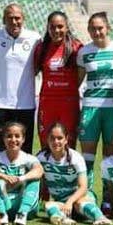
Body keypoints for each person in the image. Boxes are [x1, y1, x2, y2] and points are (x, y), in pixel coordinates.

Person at [77, 11, 113, 215]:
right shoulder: (84, 52)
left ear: (108, 28)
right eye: (93, 28)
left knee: (111, 158)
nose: (97, 31)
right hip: (90, 108)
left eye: (100, 28)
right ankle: (87, 201)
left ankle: (109, 203)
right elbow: (78, 81)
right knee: (87, 159)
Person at [0, 4, 41, 153]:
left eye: (18, 18)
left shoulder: (35, 38)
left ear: (23, 19)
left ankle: (23, 177)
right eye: (10, 18)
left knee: (24, 149)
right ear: (4, 20)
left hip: (25, 104)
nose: (14, 21)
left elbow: (38, 66)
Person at [37, 122, 113, 225]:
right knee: (48, 205)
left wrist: (70, 202)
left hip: (80, 198)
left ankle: (100, 218)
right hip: (62, 203)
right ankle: (62, 219)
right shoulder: (41, 158)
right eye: (52, 138)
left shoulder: (75, 158)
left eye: (60, 138)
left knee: (79, 203)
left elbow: (83, 187)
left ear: (66, 139)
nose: (56, 142)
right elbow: (38, 183)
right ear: (47, 139)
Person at [34, 10, 83, 148]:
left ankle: (67, 169)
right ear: (48, 28)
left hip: (68, 103)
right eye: (52, 27)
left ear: (67, 27)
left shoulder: (76, 47)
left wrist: (68, 88)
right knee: (46, 143)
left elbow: (81, 72)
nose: (56, 30)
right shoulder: (41, 48)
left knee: (68, 143)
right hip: (47, 102)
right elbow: (33, 71)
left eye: (60, 26)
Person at [0, 121, 43, 225]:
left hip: (24, 203)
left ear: (23, 139)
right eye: (9, 136)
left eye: (17, 136)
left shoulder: (28, 158)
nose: (13, 140)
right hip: (3, 202)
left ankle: (22, 214)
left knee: (34, 179)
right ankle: (2, 215)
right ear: (4, 139)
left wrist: (21, 178)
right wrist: (4, 176)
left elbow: (39, 171)